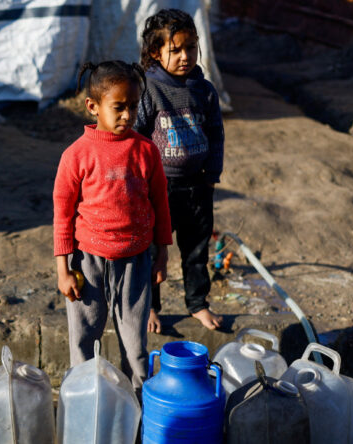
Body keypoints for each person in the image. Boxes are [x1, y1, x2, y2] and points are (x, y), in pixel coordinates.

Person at [53, 60, 172, 394]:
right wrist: (63, 270)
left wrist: (162, 255)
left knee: (135, 345)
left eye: (133, 106)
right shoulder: (76, 155)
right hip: (87, 262)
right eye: (119, 107)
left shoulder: (146, 151)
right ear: (93, 107)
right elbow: (62, 215)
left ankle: (138, 404)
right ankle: (83, 400)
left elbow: (161, 206)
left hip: (136, 260)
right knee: (84, 339)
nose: (127, 115)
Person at [134, 8, 225, 331]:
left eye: (191, 47)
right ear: (155, 53)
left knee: (197, 248)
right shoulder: (149, 89)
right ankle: (149, 307)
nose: (185, 56)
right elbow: (136, 136)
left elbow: (215, 134)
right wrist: (140, 182)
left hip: (198, 185)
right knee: (150, 249)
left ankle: (198, 303)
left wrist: (211, 177)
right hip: (158, 188)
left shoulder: (204, 90)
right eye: (175, 50)